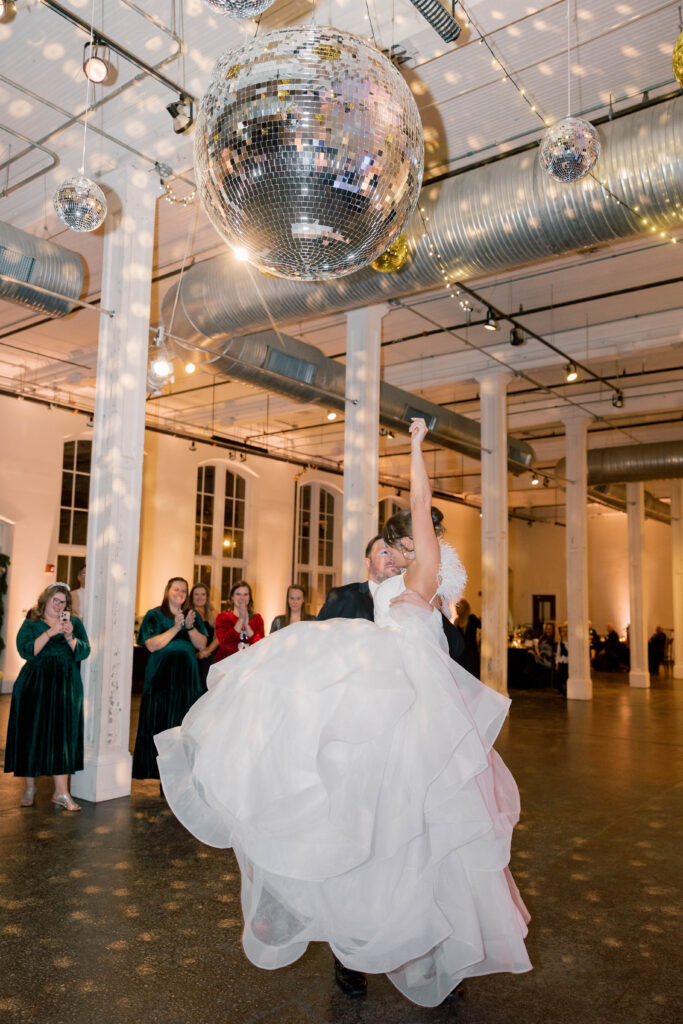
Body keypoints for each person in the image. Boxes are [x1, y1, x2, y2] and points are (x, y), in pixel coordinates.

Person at [155, 419, 531, 1008]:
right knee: (366, 823)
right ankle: (355, 951)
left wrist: (412, 446)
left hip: (417, 708)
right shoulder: (391, 578)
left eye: (404, 542)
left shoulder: (426, 571)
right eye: (397, 544)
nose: (397, 551)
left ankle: (431, 952)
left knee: (420, 831)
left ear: (420, 544)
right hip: (383, 704)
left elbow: (422, 499)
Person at [4, 582, 90, 811]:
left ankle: (61, 792)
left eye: (64, 602)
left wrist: (70, 637)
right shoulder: (32, 623)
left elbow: (84, 650)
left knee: (62, 735)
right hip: (35, 684)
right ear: (46, 600)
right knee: (31, 733)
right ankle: (30, 787)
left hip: (65, 686)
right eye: (56, 601)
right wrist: (51, 632)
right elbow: (26, 650)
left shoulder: (75, 623)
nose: (59, 605)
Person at [318, 535, 465, 663]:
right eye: (384, 552)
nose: (391, 557)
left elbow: (456, 647)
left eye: (394, 551)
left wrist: (430, 612)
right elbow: (320, 646)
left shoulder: (415, 596)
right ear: (367, 563)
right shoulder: (342, 597)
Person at [132, 577, 207, 781]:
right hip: (161, 679)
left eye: (184, 590)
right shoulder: (154, 615)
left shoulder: (192, 615)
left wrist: (190, 628)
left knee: (184, 725)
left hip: (187, 680)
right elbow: (151, 645)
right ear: (168, 591)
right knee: (161, 723)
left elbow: (201, 645)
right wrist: (175, 627)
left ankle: (182, 776)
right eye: (176, 589)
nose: (180, 593)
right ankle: (161, 776)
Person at [214, 581, 264, 662]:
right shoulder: (223, 617)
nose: (242, 598)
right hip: (227, 666)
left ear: (249, 597)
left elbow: (260, 646)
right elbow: (226, 644)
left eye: (245, 594)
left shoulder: (257, 618)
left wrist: (247, 625)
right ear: (232, 597)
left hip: (250, 665)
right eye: (238, 594)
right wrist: (240, 620)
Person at [189, 583, 219, 691]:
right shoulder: (188, 613)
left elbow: (218, 636)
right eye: (196, 594)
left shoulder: (213, 613)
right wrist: (197, 654)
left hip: (209, 655)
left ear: (207, 597)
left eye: (203, 594)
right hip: (192, 656)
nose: (200, 597)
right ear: (192, 597)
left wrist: (207, 651)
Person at [455, 597, 481, 678]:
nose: (456, 609)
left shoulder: (469, 619)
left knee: (468, 675)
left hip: (466, 653)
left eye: (458, 607)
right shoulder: (459, 620)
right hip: (466, 653)